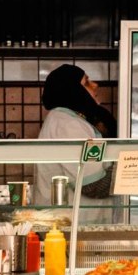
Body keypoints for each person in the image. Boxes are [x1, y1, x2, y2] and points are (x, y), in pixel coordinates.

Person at [35, 65, 117, 214]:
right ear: (72, 89)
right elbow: (92, 186)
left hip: (75, 226)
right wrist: (133, 169)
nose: (95, 85)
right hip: (68, 227)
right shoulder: (68, 125)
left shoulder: (68, 120)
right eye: (86, 82)